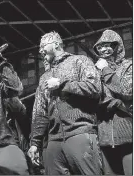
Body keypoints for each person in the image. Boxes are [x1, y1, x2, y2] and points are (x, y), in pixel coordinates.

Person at [28, 31, 102, 175]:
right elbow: (40, 112)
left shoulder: (80, 61)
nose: (40, 50)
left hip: (80, 133)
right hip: (53, 142)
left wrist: (62, 84)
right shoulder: (44, 77)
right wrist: (35, 143)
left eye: (43, 45)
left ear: (56, 44)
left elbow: (95, 88)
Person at [94, 29, 132, 175]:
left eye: (108, 45)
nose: (103, 49)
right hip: (104, 138)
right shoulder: (95, 71)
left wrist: (106, 69)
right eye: (100, 46)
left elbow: (127, 91)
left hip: (129, 134)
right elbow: (94, 97)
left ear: (118, 46)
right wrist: (114, 101)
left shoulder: (128, 66)